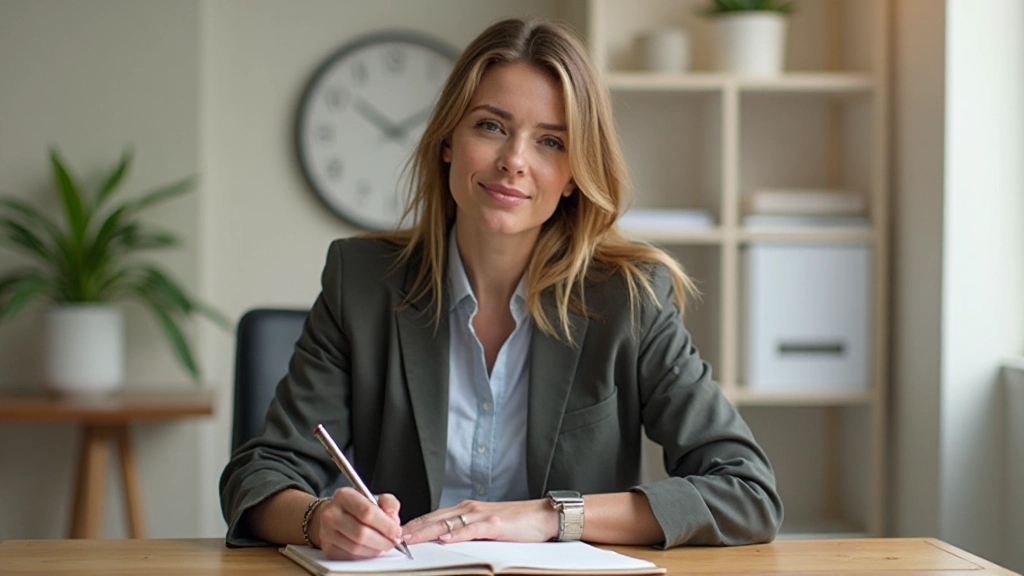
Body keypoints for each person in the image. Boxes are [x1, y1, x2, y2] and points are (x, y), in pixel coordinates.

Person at [219, 17, 783, 560]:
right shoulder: (360, 280)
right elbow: (260, 474)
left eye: (551, 142)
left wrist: (550, 515)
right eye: (491, 126)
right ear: (447, 141)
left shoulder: (630, 298)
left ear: (573, 176)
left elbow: (747, 492)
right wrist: (320, 520)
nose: (514, 160)